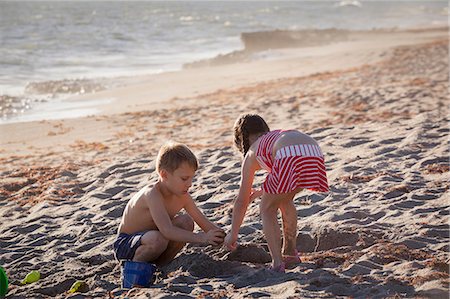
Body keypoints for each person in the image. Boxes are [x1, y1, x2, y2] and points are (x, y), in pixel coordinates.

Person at [224, 113, 329, 272]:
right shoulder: (273, 137)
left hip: (288, 152)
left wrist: (233, 233)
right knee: (285, 200)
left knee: (267, 209)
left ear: (241, 140)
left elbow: (241, 201)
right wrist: (261, 192)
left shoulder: (252, 150)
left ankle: (277, 263)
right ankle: (290, 252)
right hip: (313, 149)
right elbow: (281, 188)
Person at [114, 142, 225, 266]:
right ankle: (133, 271)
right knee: (157, 239)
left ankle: (160, 266)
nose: (190, 184)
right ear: (164, 175)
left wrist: (226, 238)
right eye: (184, 179)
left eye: (191, 178)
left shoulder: (182, 196)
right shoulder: (152, 194)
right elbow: (167, 230)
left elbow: (204, 223)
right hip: (127, 245)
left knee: (186, 222)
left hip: (154, 241)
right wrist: (203, 238)